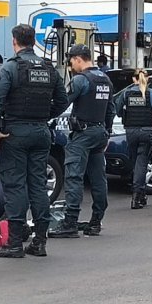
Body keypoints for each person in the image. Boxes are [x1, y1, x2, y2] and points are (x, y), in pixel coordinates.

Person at [0, 24, 69, 258]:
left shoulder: (10, 67)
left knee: (15, 186)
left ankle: (14, 243)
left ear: (14, 41)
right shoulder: (48, 68)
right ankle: (40, 242)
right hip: (41, 131)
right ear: (33, 41)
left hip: (15, 132)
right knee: (38, 186)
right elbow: (62, 101)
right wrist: (43, 117)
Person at [50, 44, 115, 238]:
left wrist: (43, 116)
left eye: (71, 61)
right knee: (98, 178)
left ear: (78, 59)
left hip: (83, 134)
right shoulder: (105, 79)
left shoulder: (81, 80)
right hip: (99, 133)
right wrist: (107, 133)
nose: (71, 66)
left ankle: (70, 222)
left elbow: (62, 103)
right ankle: (96, 221)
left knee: (74, 177)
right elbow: (110, 110)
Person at [114, 69, 152, 209]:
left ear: (133, 79)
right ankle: (137, 196)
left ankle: (140, 193)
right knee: (141, 163)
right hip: (147, 131)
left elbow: (118, 112)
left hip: (131, 131)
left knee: (135, 162)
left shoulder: (126, 93)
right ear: (147, 79)